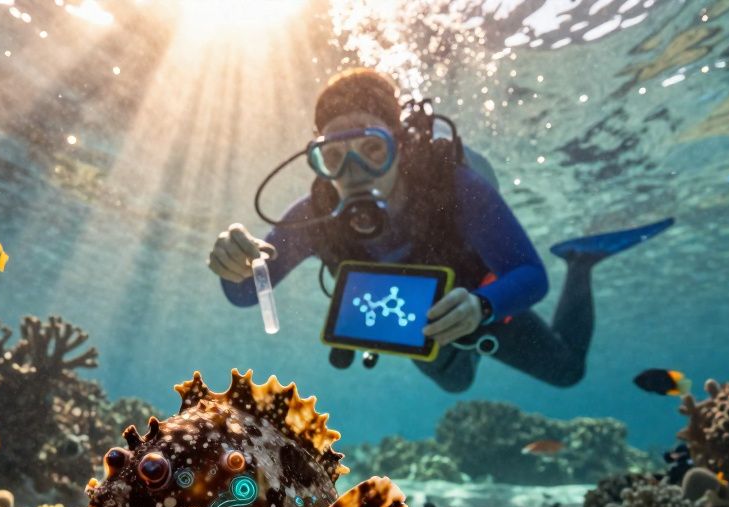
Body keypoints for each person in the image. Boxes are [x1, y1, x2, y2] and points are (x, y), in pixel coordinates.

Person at [208, 68, 670, 392]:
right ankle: (464, 347)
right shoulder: (313, 215)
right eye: (333, 156)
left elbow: (530, 275)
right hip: (424, 323)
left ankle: (582, 260)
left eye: (371, 148)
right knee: (456, 382)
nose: (353, 171)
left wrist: (483, 305)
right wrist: (234, 267)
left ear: (400, 145)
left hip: (481, 299)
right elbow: (248, 293)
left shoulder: (455, 189)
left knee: (567, 371)